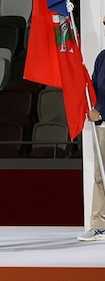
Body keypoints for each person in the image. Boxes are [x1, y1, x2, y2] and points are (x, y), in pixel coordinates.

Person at [78, 17, 105, 241]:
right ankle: (99, 225)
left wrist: (102, 113)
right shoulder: (102, 58)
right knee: (100, 177)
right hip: (103, 128)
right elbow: (95, 88)